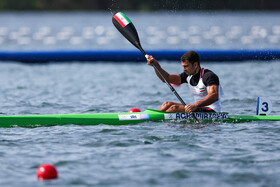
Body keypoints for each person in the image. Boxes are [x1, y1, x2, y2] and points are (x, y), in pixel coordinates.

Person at [146, 50, 222, 113]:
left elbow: (214, 95)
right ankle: (151, 117)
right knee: (167, 104)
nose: (183, 69)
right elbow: (166, 78)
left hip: (211, 110)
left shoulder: (208, 76)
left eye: (186, 66)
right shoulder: (188, 76)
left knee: (174, 108)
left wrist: (195, 105)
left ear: (195, 65)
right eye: (183, 66)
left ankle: (154, 120)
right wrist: (155, 65)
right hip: (197, 108)